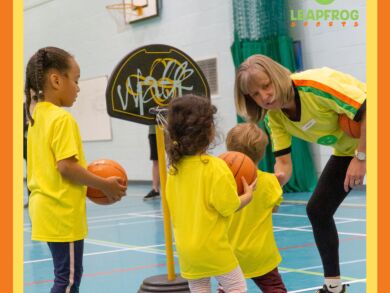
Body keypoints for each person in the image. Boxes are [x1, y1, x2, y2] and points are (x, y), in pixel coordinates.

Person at [235, 54, 366, 293]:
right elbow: (283, 163)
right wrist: (274, 182)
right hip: (349, 149)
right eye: (254, 94)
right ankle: (333, 286)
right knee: (318, 210)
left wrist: (361, 157)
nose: (263, 96)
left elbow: (369, 107)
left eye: (266, 86)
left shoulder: (316, 85)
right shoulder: (275, 117)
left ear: (276, 75)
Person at [25, 47, 127, 293]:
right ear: (56, 80)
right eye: (76, 79)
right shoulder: (61, 119)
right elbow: (67, 167)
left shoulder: (36, 116)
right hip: (61, 213)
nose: (79, 87)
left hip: (45, 209)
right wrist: (104, 184)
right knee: (68, 280)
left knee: (64, 275)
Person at [165, 94, 256, 293]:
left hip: (187, 251)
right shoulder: (215, 167)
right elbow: (228, 206)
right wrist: (247, 195)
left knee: (199, 288)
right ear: (209, 131)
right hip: (213, 249)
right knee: (236, 287)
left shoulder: (173, 170)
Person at [219, 123, 287, 293]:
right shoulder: (271, 182)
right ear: (262, 153)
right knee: (274, 288)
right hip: (261, 255)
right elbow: (273, 210)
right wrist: (276, 184)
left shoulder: (220, 183)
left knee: (227, 288)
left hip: (229, 255)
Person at [143, 125, 160, 200]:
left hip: (168, 130)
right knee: (155, 160)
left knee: (175, 157)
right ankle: (155, 190)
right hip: (154, 132)